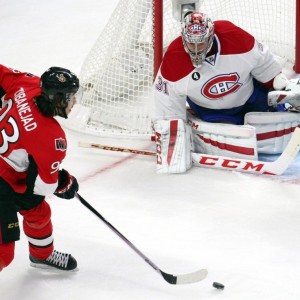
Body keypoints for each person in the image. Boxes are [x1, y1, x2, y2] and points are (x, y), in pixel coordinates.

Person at [153, 11, 300, 174]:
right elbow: (167, 105)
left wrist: (280, 87)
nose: (195, 50)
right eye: (191, 44)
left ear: (210, 36)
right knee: (236, 137)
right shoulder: (174, 59)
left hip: (250, 96)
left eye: (200, 44)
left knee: (278, 115)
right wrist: (172, 144)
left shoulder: (234, 37)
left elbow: (264, 64)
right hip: (212, 111)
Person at [0, 65, 80, 271]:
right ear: (59, 99)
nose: (75, 102)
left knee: (37, 210)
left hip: (8, 173)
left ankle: (41, 255)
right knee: (3, 254)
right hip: (3, 184)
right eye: (71, 96)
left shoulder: (28, 83)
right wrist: (63, 182)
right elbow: (43, 187)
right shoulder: (52, 139)